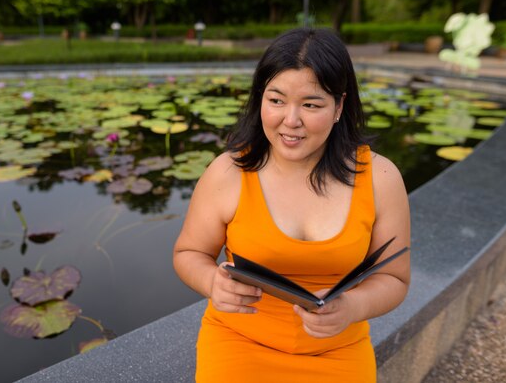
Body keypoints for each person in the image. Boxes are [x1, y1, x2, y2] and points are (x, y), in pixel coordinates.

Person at [173, 27, 411, 382]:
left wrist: (351, 308)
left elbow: (394, 277)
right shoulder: (228, 171)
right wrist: (212, 282)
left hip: (338, 348)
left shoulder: (381, 177)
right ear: (260, 99)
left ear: (339, 107)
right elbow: (188, 253)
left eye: (311, 104)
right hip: (239, 341)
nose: (290, 120)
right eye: (276, 100)